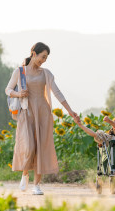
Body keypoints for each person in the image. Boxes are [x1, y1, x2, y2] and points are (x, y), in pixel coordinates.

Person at [5, 42, 78, 195]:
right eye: (42, 57)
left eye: (46, 58)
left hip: (43, 114)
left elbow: (57, 93)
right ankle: (25, 173)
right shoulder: (20, 72)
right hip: (26, 113)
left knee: (41, 150)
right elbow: (8, 89)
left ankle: (37, 185)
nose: (43, 60)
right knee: (29, 147)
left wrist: (70, 111)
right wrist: (19, 94)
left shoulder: (46, 73)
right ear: (33, 53)